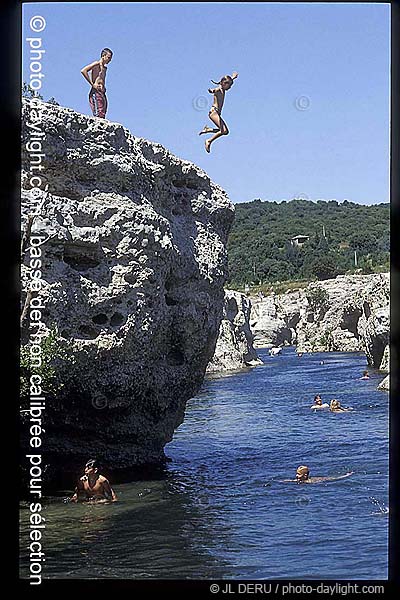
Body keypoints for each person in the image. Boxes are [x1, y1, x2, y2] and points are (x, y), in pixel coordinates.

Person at [198, 72, 238, 152]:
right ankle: (209, 141)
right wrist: (212, 91)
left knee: (225, 131)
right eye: (229, 86)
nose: (229, 88)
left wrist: (233, 77)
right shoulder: (219, 89)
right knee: (224, 131)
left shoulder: (223, 88)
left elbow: (227, 81)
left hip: (217, 113)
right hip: (214, 112)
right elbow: (215, 90)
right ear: (223, 83)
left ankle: (208, 129)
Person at [81, 48, 113, 119]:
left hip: (102, 92)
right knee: (99, 112)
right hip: (96, 91)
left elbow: (102, 79)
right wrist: (92, 84)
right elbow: (84, 71)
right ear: (103, 56)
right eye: (108, 58)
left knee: (103, 110)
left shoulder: (105, 68)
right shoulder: (97, 64)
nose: (110, 60)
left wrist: (104, 87)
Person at [280, 465, 354, 484]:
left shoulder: (311, 482)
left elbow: (334, 478)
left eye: (299, 474)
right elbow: (291, 480)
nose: (296, 476)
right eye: (296, 474)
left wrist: (346, 475)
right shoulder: (298, 480)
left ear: (305, 475)